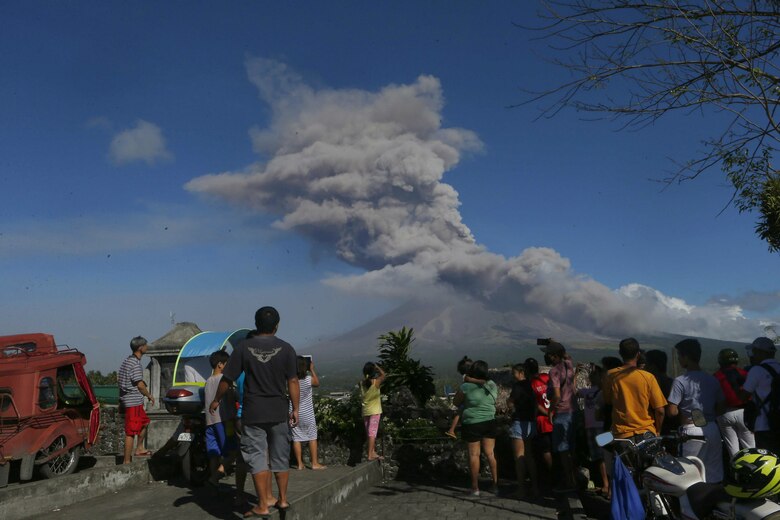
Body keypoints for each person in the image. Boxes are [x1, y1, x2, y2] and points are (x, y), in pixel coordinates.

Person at [211, 306, 299, 518]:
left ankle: (262, 505)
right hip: (279, 410)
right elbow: (293, 380)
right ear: (277, 326)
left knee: (257, 457)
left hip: (253, 413)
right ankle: (283, 499)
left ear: (256, 324)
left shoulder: (243, 348)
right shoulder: (286, 348)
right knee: (280, 456)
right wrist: (295, 408)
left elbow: (227, 379)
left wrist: (216, 400)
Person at [666, 338, 726, 483]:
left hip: (691, 430)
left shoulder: (680, 380)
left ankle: (690, 505)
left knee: (689, 474)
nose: (679, 359)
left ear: (686, 357)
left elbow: (672, 411)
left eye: (680, 356)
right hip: (712, 428)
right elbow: (722, 407)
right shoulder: (712, 380)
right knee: (713, 473)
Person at [603, 337, 666, 440]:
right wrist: (658, 431)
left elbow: (608, 401)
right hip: (646, 433)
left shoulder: (610, 375)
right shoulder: (648, 377)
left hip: (621, 435)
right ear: (638, 354)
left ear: (620, 353)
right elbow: (660, 411)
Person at [453, 360, 498, 497]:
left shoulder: (466, 387)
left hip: (472, 422)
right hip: (490, 421)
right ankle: (495, 484)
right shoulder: (491, 385)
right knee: (490, 454)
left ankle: (475, 487)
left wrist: (467, 381)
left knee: (474, 455)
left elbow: (456, 402)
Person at [541, 341, 576, 491]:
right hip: (573, 411)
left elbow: (555, 395)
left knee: (562, 450)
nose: (546, 357)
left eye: (548, 354)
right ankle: (574, 480)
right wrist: (555, 343)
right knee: (571, 448)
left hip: (561, 412)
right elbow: (567, 355)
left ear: (554, 356)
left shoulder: (554, 371)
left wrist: (550, 411)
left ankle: (568, 483)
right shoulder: (568, 364)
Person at [740, 337, 780, 455]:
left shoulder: (757, 370)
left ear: (760, 352)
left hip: (764, 424)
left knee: (767, 460)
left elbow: (743, 396)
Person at [118, 336, 155, 464]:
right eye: (145, 345)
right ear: (140, 348)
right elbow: (139, 384)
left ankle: (139, 448)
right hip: (133, 401)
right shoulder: (135, 364)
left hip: (131, 401)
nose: (147, 347)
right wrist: (149, 395)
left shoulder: (127, 361)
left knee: (144, 423)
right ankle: (126, 461)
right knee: (131, 432)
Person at [204, 350, 237, 489]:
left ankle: (213, 482)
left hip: (209, 422)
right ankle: (216, 476)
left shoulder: (207, 381)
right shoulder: (224, 380)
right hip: (224, 421)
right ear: (220, 365)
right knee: (233, 452)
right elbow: (230, 398)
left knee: (214, 453)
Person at [714, 348, 755, 457]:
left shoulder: (716, 376)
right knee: (751, 447)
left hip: (725, 414)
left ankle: (736, 471)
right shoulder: (744, 373)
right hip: (744, 412)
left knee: (733, 451)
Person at [507, 363, 538, 499]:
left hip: (519, 422)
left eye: (514, 373)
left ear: (520, 373)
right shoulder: (531, 385)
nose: (513, 376)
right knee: (530, 456)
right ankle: (535, 487)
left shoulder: (518, 386)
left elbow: (511, 402)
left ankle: (521, 489)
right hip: (531, 422)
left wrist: (508, 403)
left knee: (519, 457)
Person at [577, 365, 608, 497]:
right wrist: (574, 375)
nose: (591, 377)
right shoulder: (589, 391)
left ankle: (607, 484)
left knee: (603, 456)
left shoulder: (604, 392)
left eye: (594, 375)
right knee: (596, 456)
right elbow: (574, 392)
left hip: (600, 427)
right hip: (590, 427)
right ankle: (603, 482)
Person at [291, 356, 326, 470]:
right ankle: (314, 463)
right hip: (307, 413)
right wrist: (312, 369)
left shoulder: (291, 380)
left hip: (293, 412)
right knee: (312, 437)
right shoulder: (307, 379)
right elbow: (317, 383)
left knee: (296, 438)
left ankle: (300, 464)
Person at [525, 357, 553, 488]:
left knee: (546, 450)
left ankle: (553, 475)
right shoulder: (546, 378)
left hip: (543, 421)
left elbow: (536, 405)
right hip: (556, 418)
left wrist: (548, 414)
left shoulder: (531, 384)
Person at [361, 362, 386, 461]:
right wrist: (377, 367)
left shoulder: (361, 383)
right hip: (375, 411)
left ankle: (373, 451)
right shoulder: (376, 382)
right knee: (372, 433)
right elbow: (384, 375)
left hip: (365, 411)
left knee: (369, 433)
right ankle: (370, 454)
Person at [446, 356, 474, 439]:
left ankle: (451, 429)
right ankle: (451, 429)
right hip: (466, 397)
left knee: (459, 413)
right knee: (460, 412)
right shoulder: (467, 377)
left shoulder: (465, 376)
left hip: (464, 396)